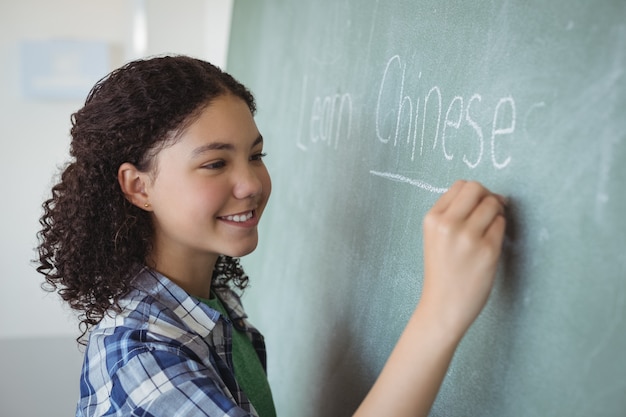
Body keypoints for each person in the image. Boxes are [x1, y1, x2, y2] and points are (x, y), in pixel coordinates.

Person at [36, 55, 507, 417]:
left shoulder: (212, 303)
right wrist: (441, 311)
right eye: (216, 163)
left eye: (256, 156)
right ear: (139, 187)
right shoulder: (142, 360)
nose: (252, 184)